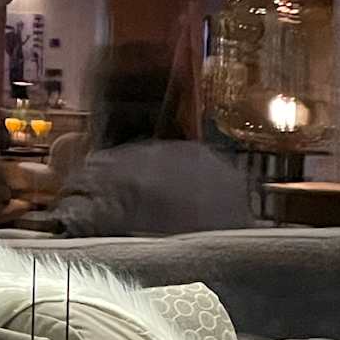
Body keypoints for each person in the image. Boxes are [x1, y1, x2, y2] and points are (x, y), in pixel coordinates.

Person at [48, 42, 252, 237]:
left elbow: (60, 245)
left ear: (108, 107)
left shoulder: (104, 179)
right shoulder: (224, 174)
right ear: (175, 104)